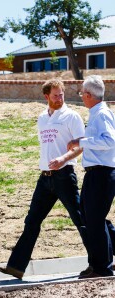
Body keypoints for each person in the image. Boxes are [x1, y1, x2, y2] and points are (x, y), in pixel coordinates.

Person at [0, 79, 89, 280]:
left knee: (81, 218)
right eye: (55, 95)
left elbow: (81, 145)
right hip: (45, 177)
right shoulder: (41, 119)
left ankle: (102, 259)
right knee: (32, 221)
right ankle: (16, 267)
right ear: (46, 97)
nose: (60, 98)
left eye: (61, 94)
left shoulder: (71, 116)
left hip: (64, 176)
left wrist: (63, 159)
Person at [67, 75, 115, 278]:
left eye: (81, 93)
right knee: (90, 217)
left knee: (94, 220)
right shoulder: (97, 113)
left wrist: (82, 141)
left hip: (102, 173)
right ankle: (102, 261)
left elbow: (109, 141)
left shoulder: (102, 114)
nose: (81, 97)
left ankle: (101, 267)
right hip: (95, 174)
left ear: (87, 95)